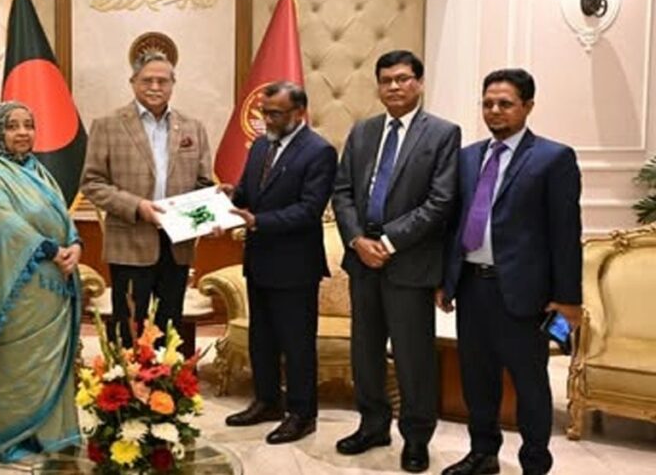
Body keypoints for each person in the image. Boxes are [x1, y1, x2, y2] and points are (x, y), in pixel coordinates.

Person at [437, 69, 582, 475]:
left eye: (505, 103)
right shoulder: (468, 157)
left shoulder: (553, 158)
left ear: (528, 106)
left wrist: (568, 299)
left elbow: (565, 233)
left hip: (523, 294)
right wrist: (446, 281)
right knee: (477, 379)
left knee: (529, 384)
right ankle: (483, 454)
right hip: (472, 287)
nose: (495, 110)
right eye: (488, 103)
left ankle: (535, 462)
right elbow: (454, 225)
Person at [332, 50, 460, 473]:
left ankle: (417, 437)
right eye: (386, 80)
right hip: (362, 261)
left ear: (419, 83)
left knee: (413, 357)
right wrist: (357, 240)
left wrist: (386, 242)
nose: (394, 86)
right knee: (365, 353)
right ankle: (372, 425)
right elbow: (342, 192)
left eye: (403, 79)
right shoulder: (363, 131)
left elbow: (440, 201)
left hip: (409, 263)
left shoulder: (442, 133)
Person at [0, 101, 82, 464]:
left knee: (52, 362)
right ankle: (13, 440)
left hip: (57, 283)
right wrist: (50, 249)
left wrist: (75, 244)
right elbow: (1, 222)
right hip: (16, 287)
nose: (22, 133)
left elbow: (62, 214)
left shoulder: (37, 168)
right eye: (12, 126)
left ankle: (55, 436)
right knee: (18, 362)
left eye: (28, 125)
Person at [220, 81, 337, 444]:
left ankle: (302, 414)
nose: (267, 120)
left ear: (299, 113)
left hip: (295, 265)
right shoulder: (260, 145)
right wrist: (230, 196)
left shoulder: (319, 151)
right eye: (264, 112)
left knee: (296, 344)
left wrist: (258, 221)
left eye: (275, 114)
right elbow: (249, 192)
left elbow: (309, 209)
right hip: (259, 260)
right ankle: (267, 401)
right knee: (263, 339)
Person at [80, 51, 213, 347]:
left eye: (162, 81)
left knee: (170, 330)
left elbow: (204, 184)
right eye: (147, 80)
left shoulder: (193, 127)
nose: (155, 87)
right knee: (128, 329)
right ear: (133, 82)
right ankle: (125, 378)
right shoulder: (108, 125)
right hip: (129, 243)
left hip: (177, 245)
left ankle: (169, 378)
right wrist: (137, 207)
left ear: (173, 84)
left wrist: (209, 217)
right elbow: (92, 183)